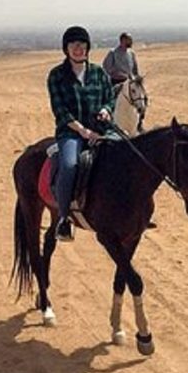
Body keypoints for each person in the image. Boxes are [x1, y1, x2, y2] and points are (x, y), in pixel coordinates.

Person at [47, 26, 115, 242]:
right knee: (69, 166)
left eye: (82, 44)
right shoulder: (57, 76)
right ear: (66, 49)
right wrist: (83, 131)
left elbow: (110, 98)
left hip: (102, 131)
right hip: (72, 133)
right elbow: (61, 111)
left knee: (128, 155)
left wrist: (106, 110)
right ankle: (64, 219)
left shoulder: (99, 73)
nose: (78, 49)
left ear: (87, 47)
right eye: (73, 45)